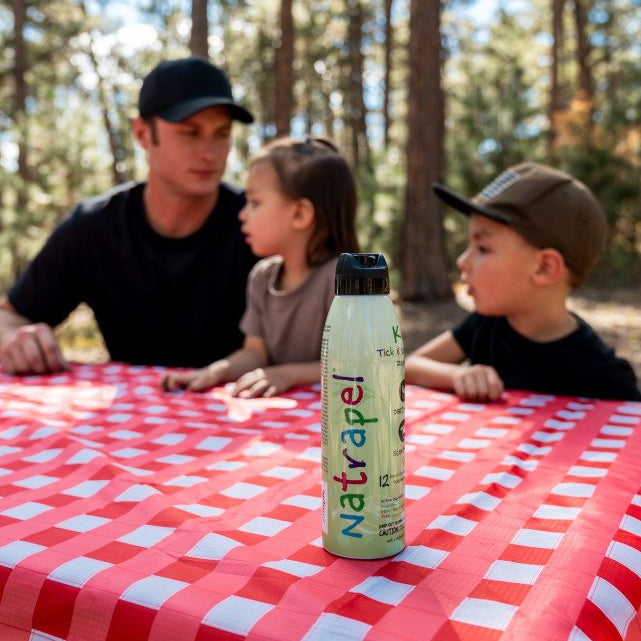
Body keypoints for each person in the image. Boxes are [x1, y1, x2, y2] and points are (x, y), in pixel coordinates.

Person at [0, 56, 258, 375]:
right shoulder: (93, 227)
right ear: (142, 134)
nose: (210, 152)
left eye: (221, 133)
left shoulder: (261, 224)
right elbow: (10, 316)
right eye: (190, 132)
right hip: (126, 419)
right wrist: (13, 337)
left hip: (251, 415)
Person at [405, 162, 641, 402]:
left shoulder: (605, 375)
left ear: (544, 267)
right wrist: (457, 374)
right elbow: (409, 367)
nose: (462, 261)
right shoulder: (485, 326)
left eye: (483, 248)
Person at [161, 136, 360, 398]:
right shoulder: (261, 277)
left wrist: (287, 374)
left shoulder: (342, 281)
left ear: (300, 214)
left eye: (255, 202)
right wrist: (217, 370)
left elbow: (357, 365)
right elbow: (256, 352)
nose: (242, 214)